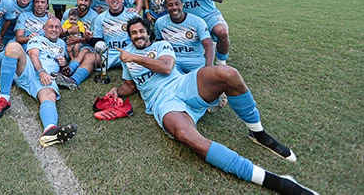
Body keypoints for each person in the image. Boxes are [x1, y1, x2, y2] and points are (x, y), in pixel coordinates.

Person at [104, 17, 317, 195]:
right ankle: (274, 180)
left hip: (181, 84)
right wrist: (117, 91)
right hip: (162, 101)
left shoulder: (160, 46)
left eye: (141, 31)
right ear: (129, 36)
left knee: (228, 73)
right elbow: (130, 85)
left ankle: (258, 134)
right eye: (133, 33)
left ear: (148, 33)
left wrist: (135, 57)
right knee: (186, 136)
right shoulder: (126, 58)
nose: (138, 35)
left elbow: (166, 68)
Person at [0, 18, 78, 148]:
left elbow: (61, 62)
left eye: (57, 27)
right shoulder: (37, 39)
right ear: (44, 29)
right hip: (30, 70)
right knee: (13, 47)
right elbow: (33, 55)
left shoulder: (62, 44)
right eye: (50, 27)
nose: (54, 29)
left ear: (60, 30)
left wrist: (63, 62)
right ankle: (4, 98)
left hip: (47, 77)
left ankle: (50, 129)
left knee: (49, 96)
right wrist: (41, 72)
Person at [155, 0, 214, 73]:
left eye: (177, 4)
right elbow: (159, 43)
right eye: (170, 5)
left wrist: (209, 68)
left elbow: (209, 46)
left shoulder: (198, 21)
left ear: (182, 5)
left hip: (196, 61)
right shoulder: (160, 22)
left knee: (203, 81)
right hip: (173, 61)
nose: (174, 7)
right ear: (166, 7)